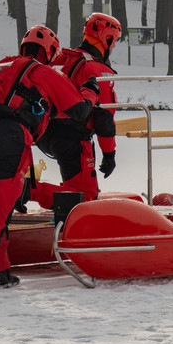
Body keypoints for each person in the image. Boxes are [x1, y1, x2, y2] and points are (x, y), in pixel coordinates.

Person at [0, 25, 94, 293]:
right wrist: (90, 91)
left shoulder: (2, 65)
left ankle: (2, 273)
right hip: (9, 136)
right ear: (51, 51)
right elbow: (79, 111)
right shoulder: (45, 72)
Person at [31, 13, 121, 209]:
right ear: (107, 38)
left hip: (44, 134)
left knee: (75, 188)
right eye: (114, 42)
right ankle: (28, 191)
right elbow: (104, 117)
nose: (113, 47)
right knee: (84, 196)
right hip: (72, 138)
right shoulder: (96, 69)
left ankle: (58, 212)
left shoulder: (60, 58)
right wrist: (109, 154)